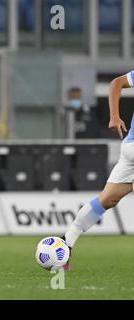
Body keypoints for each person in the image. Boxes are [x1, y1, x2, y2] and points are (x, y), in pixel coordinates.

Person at [61, 71, 134, 269]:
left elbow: (116, 83)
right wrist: (115, 116)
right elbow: (116, 83)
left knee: (107, 198)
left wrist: (115, 118)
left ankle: (66, 242)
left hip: (130, 147)